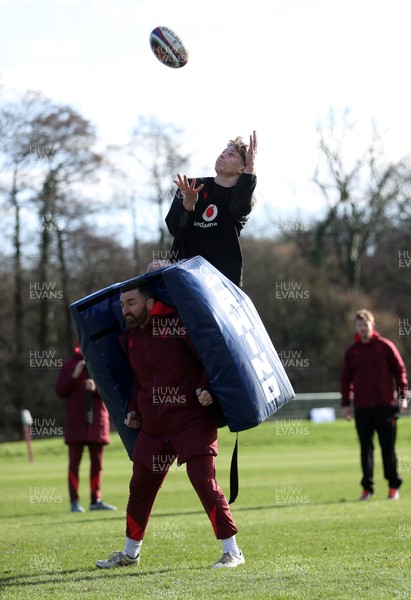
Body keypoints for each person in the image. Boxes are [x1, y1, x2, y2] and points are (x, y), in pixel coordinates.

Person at [96, 280, 244, 570]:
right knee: (139, 488)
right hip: (153, 425)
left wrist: (205, 389)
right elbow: (139, 380)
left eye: (131, 303)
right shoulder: (129, 339)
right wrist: (133, 409)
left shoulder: (177, 324)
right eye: (122, 304)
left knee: (203, 481)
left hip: (190, 418)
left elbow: (208, 360)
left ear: (149, 304)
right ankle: (130, 554)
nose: (124, 310)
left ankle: (232, 552)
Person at [165, 131, 257, 287]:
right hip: (185, 273)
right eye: (223, 152)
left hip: (220, 281)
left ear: (242, 168)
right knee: (153, 269)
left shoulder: (242, 198)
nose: (222, 155)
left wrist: (251, 170)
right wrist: (188, 205)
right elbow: (176, 230)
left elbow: (237, 210)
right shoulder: (191, 186)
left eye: (231, 155)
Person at [340, 309, 408, 501]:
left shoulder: (385, 346)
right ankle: (367, 489)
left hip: (385, 407)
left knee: (388, 449)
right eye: (359, 325)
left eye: (365, 324)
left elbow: (400, 372)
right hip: (362, 409)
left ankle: (393, 487)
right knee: (365, 449)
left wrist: (402, 397)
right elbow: (346, 380)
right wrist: (346, 404)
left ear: (372, 325)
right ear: (356, 327)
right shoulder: (352, 352)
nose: (363, 328)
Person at [55, 343, 117, 513]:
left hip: (97, 423)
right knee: (74, 464)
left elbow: (113, 390)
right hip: (76, 424)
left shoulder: (102, 363)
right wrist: (74, 375)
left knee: (97, 464)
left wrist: (97, 389)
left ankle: (95, 500)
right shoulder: (69, 365)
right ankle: (74, 502)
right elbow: (60, 391)